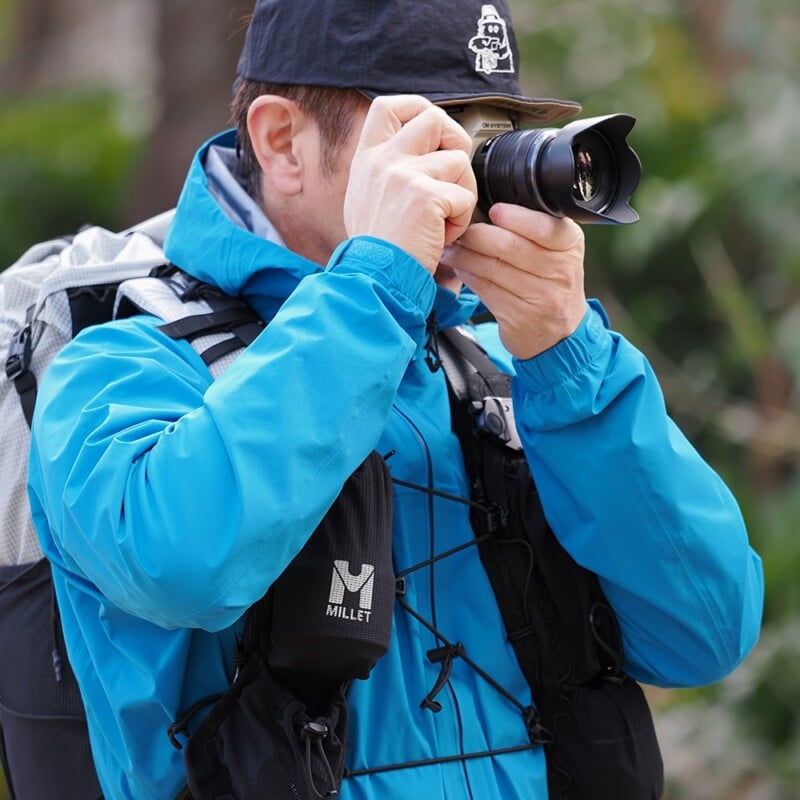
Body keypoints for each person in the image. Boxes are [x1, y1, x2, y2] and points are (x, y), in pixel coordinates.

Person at [26, 0, 764, 798]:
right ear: (283, 144)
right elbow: (180, 565)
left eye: (490, 143)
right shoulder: (120, 365)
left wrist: (566, 352)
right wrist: (376, 285)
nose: (466, 184)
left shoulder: (505, 368)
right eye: (432, 138)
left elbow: (706, 632)